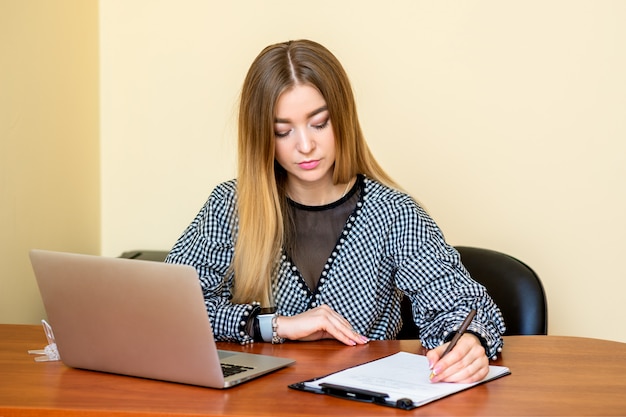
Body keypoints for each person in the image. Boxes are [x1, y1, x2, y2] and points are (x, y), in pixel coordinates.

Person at [166, 39, 505, 383]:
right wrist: (275, 325)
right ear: (261, 137)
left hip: (365, 403)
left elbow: (463, 305)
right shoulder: (230, 207)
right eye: (282, 131)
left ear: (342, 119)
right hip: (259, 404)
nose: (305, 145)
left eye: (319, 123)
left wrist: (470, 342)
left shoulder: (394, 213)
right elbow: (170, 311)